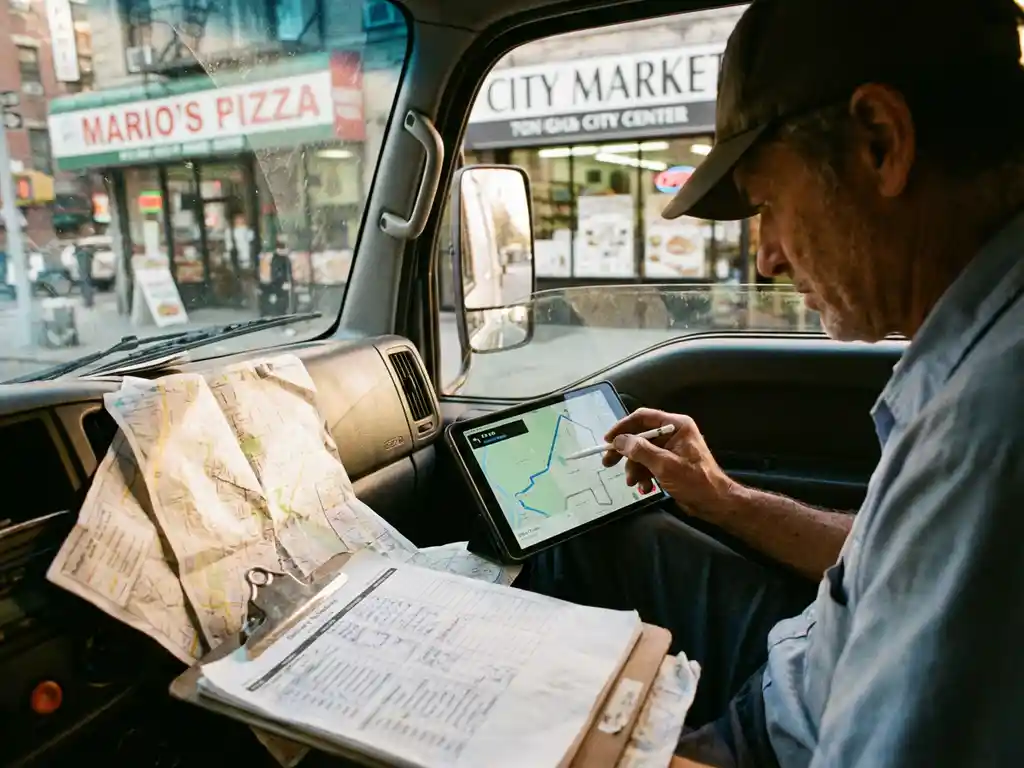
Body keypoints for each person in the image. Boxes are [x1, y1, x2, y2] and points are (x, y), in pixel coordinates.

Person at [517, 1, 1024, 766]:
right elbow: (892, 561)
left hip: (787, 732)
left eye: (767, 206)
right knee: (604, 539)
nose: (768, 259)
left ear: (880, 143)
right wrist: (724, 499)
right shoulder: (977, 352)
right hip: (809, 655)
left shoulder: (988, 431)